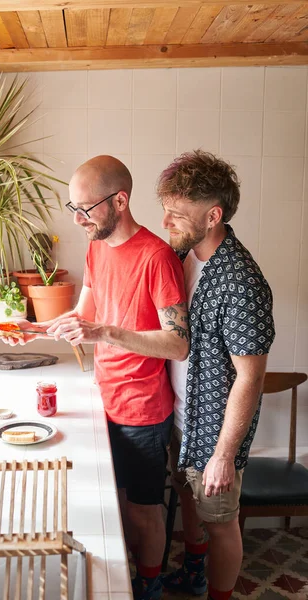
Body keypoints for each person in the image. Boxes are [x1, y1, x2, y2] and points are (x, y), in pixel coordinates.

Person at [0, 155, 189, 600]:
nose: (79, 219)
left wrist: (103, 332)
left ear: (120, 200)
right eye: (73, 208)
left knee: (142, 512)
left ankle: (150, 585)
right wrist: (34, 327)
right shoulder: (97, 246)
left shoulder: (157, 257)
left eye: (87, 209)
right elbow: (85, 315)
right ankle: (127, 582)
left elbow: (177, 343)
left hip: (142, 408)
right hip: (105, 398)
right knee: (115, 507)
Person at [157, 150, 275, 600]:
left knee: (222, 523)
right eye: (164, 207)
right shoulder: (185, 254)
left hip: (213, 430)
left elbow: (251, 378)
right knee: (189, 501)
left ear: (213, 214)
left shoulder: (241, 280)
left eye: (177, 212)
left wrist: (224, 455)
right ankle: (192, 570)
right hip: (182, 415)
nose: (166, 220)